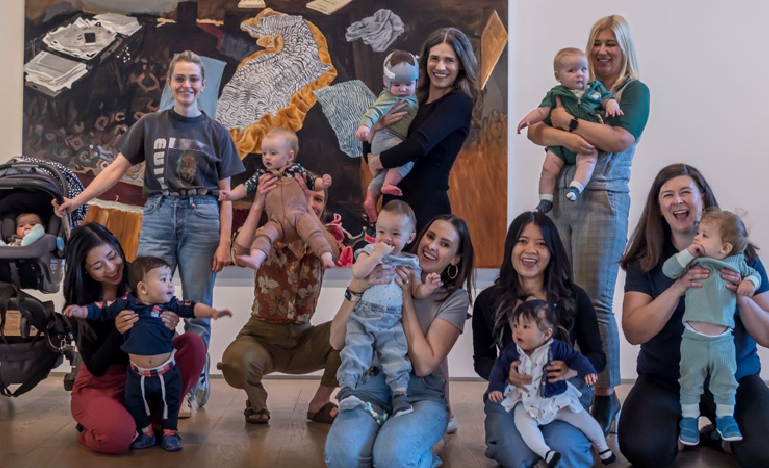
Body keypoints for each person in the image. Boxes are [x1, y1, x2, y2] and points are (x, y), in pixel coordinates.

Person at [55, 50, 245, 409]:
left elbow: (226, 195)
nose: (187, 85)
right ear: (170, 83)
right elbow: (114, 170)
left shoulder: (216, 132)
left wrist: (225, 243)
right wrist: (77, 200)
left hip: (202, 217)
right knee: (146, 299)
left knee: (197, 305)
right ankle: (149, 381)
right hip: (158, 212)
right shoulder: (150, 126)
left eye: (193, 79)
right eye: (180, 78)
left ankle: (192, 386)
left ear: (203, 84)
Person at [526, 15, 650, 432]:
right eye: (597, 42)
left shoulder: (633, 92)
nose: (602, 51)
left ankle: (605, 395)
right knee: (561, 297)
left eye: (611, 43)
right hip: (562, 199)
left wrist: (569, 123)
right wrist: (563, 135)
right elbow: (536, 131)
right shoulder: (572, 84)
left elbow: (618, 139)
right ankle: (570, 386)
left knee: (594, 300)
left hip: (602, 199)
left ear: (624, 47)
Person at [620, 164, 769, 468]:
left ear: (702, 198)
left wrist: (742, 299)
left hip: (734, 377)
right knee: (644, 451)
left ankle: (717, 437)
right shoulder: (647, 260)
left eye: (686, 192)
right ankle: (677, 431)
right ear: (659, 207)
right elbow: (634, 332)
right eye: (668, 195)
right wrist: (678, 288)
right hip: (665, 379)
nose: (678, 200)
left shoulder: (741, 256)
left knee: (764, 453)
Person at [325, 214, 475, 468]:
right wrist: (355, 290)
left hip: (420, 395)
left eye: (445, 244)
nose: (432, 246)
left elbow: (424, 365)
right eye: (430, 236)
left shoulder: (454, 299)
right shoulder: (378, 269)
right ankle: (389, 439)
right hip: (370, 388)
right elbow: (336, 341)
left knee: (392, 458)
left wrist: (406, 299)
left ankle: (421, 453)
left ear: (456, 258)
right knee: (343, 457)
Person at [473, 211, 606, 468]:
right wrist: (505, 375)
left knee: (567, 450)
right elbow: (482, 359)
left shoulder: (574, 297)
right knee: (517, 456)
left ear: (553, 252)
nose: (530, 250)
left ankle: (570, 441)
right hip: (514, 395)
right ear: (510, 248)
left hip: (562, 394)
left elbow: (597, 357)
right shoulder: (489, 300)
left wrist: (571, 370)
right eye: (522, 241)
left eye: (541, 243)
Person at [65, 223, 206, 454]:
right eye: (98, 266)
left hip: (145, 376)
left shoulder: (141, 278)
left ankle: (160, 423)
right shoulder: (80, 304)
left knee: (193, 344)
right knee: (116, 437)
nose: (111, 268)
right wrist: (118, 331)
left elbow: (161, 340)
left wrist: (168, 325)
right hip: (102, 383)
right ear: (85, 270)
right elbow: (96, 367)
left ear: (118, 247)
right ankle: (92, 427)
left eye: (113, 256)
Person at [217, 173, 341, 424]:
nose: (311, 202)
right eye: (303, 196)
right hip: (261, 338)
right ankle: (256, 402)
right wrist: (258, 204)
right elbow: (238, 251)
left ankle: (319, 404)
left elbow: (336, 255)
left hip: (304, 340)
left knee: (353, 330)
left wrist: (307, 213)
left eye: (317, 199)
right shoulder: (264, 236)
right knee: (235, 363)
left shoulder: (320, 243)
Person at [365, 27, 479, 236]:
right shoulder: (411, 99)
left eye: (449, 60)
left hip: (425, 208)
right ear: (425, 61)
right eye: (434, 58)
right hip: (393, 208)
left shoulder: (458, 102)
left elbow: (419, 145)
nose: (440, 66)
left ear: (461, 65)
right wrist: (377, 126)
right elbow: (370, 144)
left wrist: (378, 161)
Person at [662, 208, 760, 445]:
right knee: (690, 380)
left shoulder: (737, 263)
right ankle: (689, 420)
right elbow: (669, 270)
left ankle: (725, 418)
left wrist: (748, 284)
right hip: (693, 338)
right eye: (699, 233)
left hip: (723, 340)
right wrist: (688, 253)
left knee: (726, 381)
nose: (697, 238)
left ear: (725, 248)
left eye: (704, 235)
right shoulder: (693, 260)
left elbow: (754, 276)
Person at [337, 200, 442, 417]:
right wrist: (377, 254)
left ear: (410, 237)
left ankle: (399, 396)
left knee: (396, 356)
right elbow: (358, 272)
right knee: (355, 350)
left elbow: (416, 290)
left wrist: (428, 287)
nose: (386, 238)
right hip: (363, 317)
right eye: (381, 231)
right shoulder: (369, 251)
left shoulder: (410, 262)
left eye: (395, 234)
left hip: (392, 321)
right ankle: (346, 389)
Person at [486, 300, 615, 467]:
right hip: (528, 402)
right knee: (524, 424)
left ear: (546, 334)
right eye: (516, 325)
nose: (518, 331)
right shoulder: (512, 351)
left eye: (526, 327)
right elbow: (499, 368)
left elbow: (576, 358)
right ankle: (546, 452)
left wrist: (586, 371)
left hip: (557, 400)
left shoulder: (557, 348)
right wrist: (495, 387)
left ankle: (603, 447)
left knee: (583, 419)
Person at [517, 47, 622, 212]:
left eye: (583, 69)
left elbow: (607, 100)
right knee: (549, 167)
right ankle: (545, 199)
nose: (580, 74)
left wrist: (612, 105)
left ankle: (576, 187)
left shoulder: (595, 89)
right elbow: (542, 111)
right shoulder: (556, 94)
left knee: (588, 162)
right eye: (572, 70)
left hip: (586, 142)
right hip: (560, 145)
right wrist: (528, 119)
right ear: (558, 76)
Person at [218, 127, 334, 270]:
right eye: (264, 153)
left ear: (290, 156)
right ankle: (256, 258)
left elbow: (314, 182)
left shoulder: (297, 171)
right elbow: (245, 187)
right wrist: (232, 195)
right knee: (264, 236)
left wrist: (323, 183)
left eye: (273, 153)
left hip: (299, 217)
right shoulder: (263, 175)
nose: (267, 157)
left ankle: (325, 256)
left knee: (314, 233)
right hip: (276, 222)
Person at [354, 50, 420, 222]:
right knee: (407, 158)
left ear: (416, 82)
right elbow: (374, 110)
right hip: (387, 138)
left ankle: (371, 199)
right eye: (397, 84)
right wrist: (365, 126)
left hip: (386, 139)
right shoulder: (389, 97)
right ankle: (388, 185)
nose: (403, 89)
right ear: (386, 82)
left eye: (408, 84)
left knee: (384, 172)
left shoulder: (413, 96)